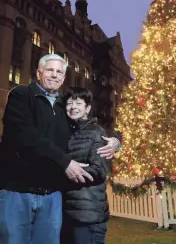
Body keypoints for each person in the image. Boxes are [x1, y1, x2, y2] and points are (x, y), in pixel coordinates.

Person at [0, 54, 121, 244]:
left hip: (51, 196)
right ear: (39, 72)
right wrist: (65, 162)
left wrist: (116, 140)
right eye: (50, 70)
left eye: (59, 72)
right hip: (17, 191)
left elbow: (89, 126)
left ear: (63, 77)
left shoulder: (64, 105)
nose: (54, 75)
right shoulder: (22, 95)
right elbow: (23, 134)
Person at [61, 87, 112, 244]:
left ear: (87, 108)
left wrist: (64, 171)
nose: (73, 107)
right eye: (69, 103)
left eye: (78, 103)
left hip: (88, 214)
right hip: (67, 213)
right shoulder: (67, 131)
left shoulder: (96, 133)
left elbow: (98, 169)